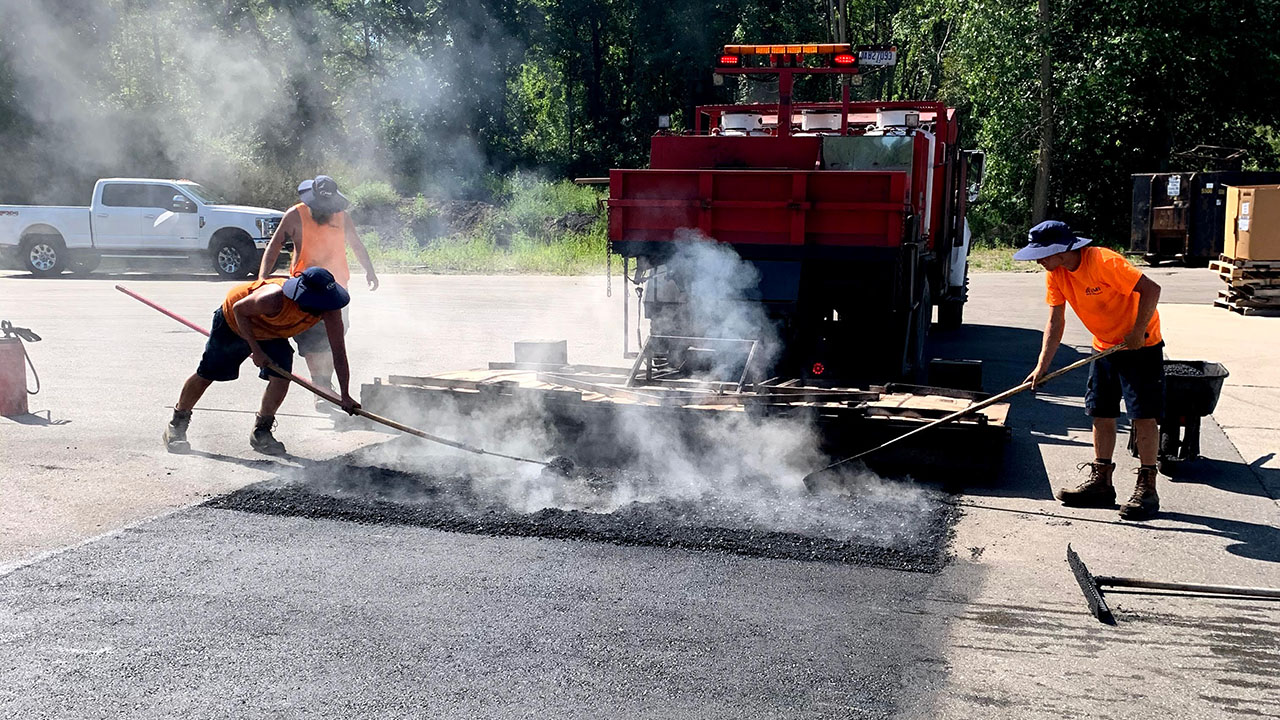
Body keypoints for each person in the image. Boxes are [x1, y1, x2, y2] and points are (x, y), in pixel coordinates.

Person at [1016, 220, 1164, 520]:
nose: (1039, 260)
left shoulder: (1104, 261)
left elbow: (1152, 289)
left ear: (1064, 249)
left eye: (1044, 253)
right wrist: (1041, 367)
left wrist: (1137, 332)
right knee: (1100, 412)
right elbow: (1056, 322)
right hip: (1104, 346)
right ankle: (1102, 484)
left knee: (1143, 416)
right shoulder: (1055, 274)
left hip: (1141, 345)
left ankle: (1147, 488)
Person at [163, 266, 360, 456]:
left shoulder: (330, 310)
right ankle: (177, 423)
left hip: (271, 332)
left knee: (282, 377)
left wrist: (344, 395)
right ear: (305, 298)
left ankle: (261, 431)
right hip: (235, 323)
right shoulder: (274, 298)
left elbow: (339, 353)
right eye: (319, 303)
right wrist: (256, 351)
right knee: (208, 373)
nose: (323, 310)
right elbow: (240, 309)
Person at [259, 175, 378, 413]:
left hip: (336, 290)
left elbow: (355, 243)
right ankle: (321, 387)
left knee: (335, 340)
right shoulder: (295, 214)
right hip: (306, 292)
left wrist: (369, 270)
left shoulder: (342, 216)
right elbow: (275, 245)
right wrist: (263, 277)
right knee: (312, 341)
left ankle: (324, 385)